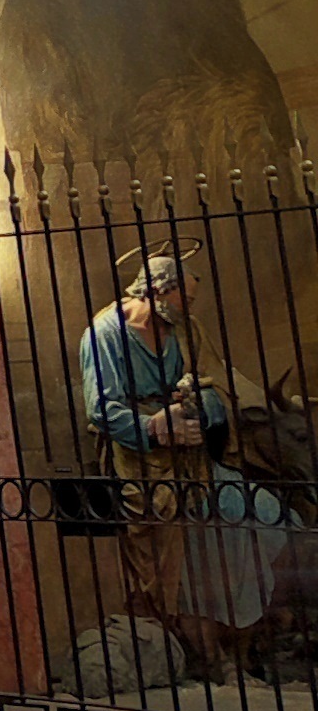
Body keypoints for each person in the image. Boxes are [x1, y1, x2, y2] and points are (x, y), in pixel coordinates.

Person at [82, 252, 286, 678]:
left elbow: (217, 387)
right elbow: (102, 406)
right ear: (158, 291)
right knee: (164, 550)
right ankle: (187, 650)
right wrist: (157, 427)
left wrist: (199, 407)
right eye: (185, 299)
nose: (190, 309)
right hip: (139, 463)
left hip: (194, 460)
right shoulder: (105, 333)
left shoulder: (186, 330)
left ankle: (240, 632)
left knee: (265, 513)